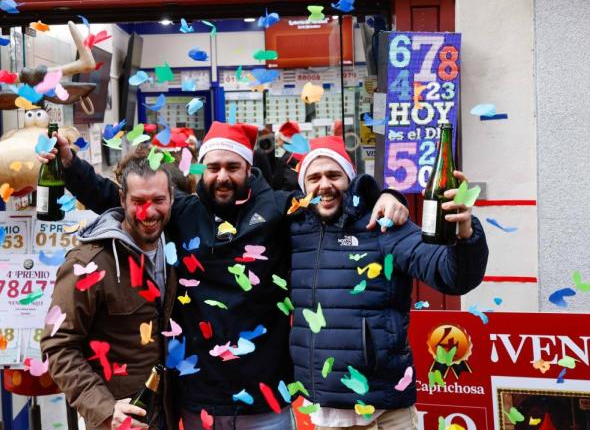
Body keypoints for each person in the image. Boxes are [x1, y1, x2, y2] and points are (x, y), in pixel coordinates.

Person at [41, 122, 408, 430]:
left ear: (249, 169)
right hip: (199, 399)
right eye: (213, 166)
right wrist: (70, 164)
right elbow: (119, 196)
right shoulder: (181, 211)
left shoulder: (281, 209)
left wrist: (387, 196)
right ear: (201, 169)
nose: (222, 176)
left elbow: (332, 202)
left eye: (232, 167)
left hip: (267, 401)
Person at [288, 136, 488, 430]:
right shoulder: (292, 230)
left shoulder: (382, 223)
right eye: (314, 178)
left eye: (334, 175)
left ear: (350, 178)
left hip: (387, 411)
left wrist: (465, 232)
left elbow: (451, 277)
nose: (324, 185)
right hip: (327, 414)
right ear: (304, 188)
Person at [42, 146, 178, 430]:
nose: (149, 211)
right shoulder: (88, 262)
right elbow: (58, 346)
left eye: (158, 200)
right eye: (138, 200)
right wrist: (104, 409)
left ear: (172, 198)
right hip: (117, 421)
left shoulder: (176, 249)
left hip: (166, 415)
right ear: (122, 199)